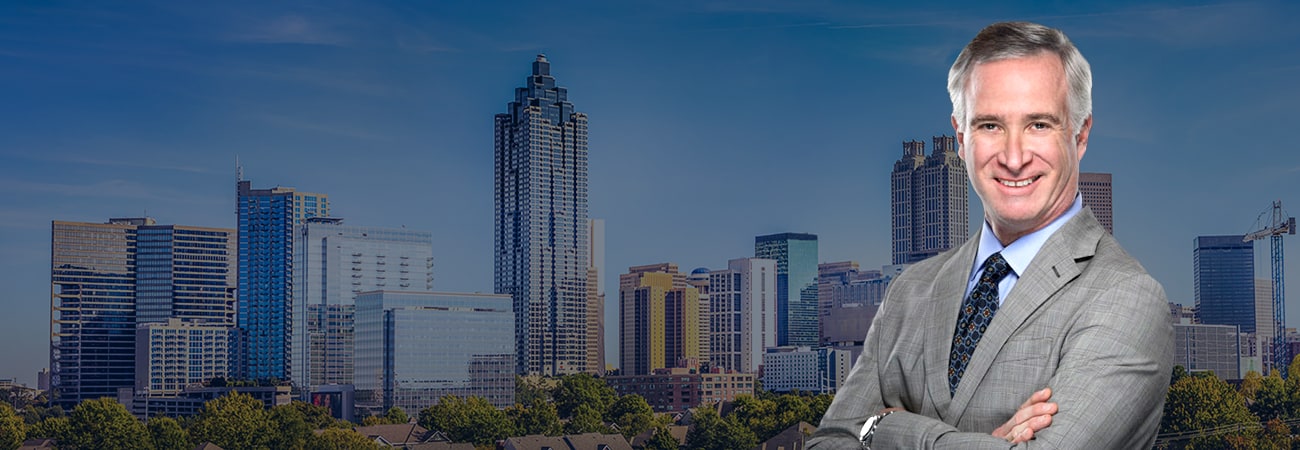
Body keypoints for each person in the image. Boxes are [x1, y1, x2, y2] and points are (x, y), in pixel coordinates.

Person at [808, 21, 1173, 449]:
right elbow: (826, 442)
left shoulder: (1127, 298)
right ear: (962, 139)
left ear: (1081, 135)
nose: (1014, 157)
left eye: (1039, 124)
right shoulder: (911, 291)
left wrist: (884, 430)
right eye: (990, 126)